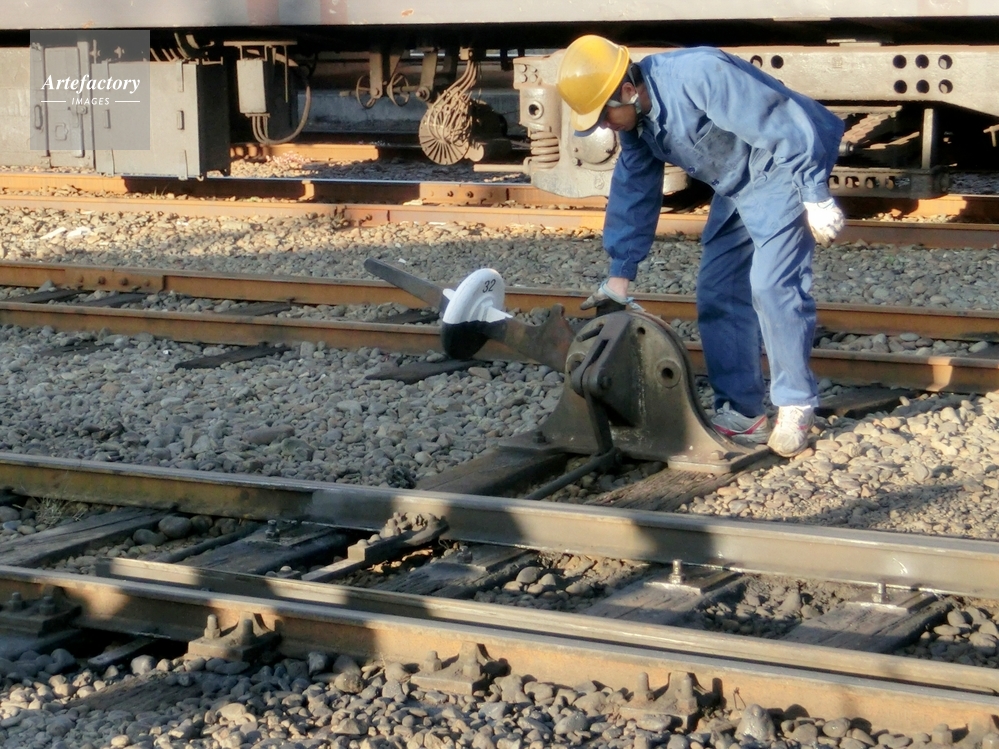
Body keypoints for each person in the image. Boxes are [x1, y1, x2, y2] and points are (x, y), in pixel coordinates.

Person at [556, 35, 845, 457]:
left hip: (783, 166)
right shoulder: (637, 123)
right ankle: (743, 413)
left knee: (772, 285)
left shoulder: (699, 75)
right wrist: (619, 276)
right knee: (718, 289)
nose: (604, 126)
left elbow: (780, 122)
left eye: (604, 115)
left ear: (628, 90)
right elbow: (634, 188)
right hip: (739, 185)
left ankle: (796, 403)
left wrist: (814, 193)